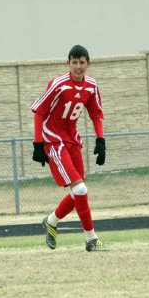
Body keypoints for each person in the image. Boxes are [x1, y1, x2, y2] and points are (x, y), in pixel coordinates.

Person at [31, 45, 107, 252]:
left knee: (78, 193)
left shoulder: (91, 86)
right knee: (80, 189)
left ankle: (51, 221)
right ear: (68, 63)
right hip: (54, 140)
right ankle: (91, 239)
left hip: (72, 140)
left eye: (82, 62)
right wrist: (38, 143)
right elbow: (39, 111)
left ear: (88, 64)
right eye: (74, 62)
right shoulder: (58, 84)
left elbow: (96, 113)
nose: (78, 66)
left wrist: (101, 141)